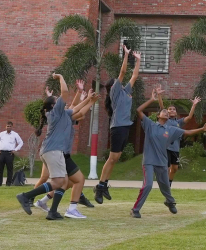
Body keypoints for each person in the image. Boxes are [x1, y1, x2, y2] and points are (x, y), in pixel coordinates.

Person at [131, 88, 206, 218]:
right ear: (158, 115)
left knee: (165, 186)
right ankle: (135, 210)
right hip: (148, 161)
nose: (166, 111)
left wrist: (202, 129)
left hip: (162, 162)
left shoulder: (171, 129)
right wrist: (152, 99)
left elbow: (187, 132)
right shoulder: (150, 125)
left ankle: (170, 202)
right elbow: (138, 111)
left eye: (168, 111)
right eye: (164, 110)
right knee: (147, 185)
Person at [34, 87, 100, 219]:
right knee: (71, 180)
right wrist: (87, 99)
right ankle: (69, 208)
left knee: (66, 183)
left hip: (56, 152)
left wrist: (86, 98)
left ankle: (43, 202)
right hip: (58, 153)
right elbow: (77, 110)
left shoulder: (63, 116)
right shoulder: (63, 116)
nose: (65, 104)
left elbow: (77, 110)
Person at [16, 73, 74, 220]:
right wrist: (61, 77)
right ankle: (26, 196)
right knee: (59, 182)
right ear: (55, 105)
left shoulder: (52, 112)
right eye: (57, 100)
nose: (61, 101)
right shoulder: (56, 111)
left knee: (62, 181)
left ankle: (52, 211)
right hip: (53, 151)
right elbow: (65, 92)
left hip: (49, 150)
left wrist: (49, 96)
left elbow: (75, 108)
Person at [94, 45, 141, 204]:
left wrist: (138, 61)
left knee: (116, 158)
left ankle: (104, 184)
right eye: (116, 82)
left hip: (125, 126)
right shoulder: (115, 92)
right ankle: (99, 186)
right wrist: (126, 55)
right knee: (112, 157)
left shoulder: (126, 91)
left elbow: (133, 77)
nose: (120, 82)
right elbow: (122, 73)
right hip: (118, 127)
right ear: (112, 87)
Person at [158, 90, 201, 186]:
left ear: (176, 113)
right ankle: (164, 183)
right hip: (166, 148)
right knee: (167, 167)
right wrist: (159, 95)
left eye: (173, 109)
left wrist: (194, 105)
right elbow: (161, 107)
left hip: (175, 148)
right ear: (167, 112)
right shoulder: (165, 120)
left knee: (175, 169)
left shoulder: (179, 122)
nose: (172, 110)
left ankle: (169, 183)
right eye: (169, 109)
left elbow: (189, 117)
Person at [0, 121, 23, 186]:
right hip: (1, 153)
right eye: (7, 126)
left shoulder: (15, 134)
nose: (8, 127)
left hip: (10, 153)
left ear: (12, 127)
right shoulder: (1, 134)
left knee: (10, 169)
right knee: (0, 169)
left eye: (10, 126)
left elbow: (21, 142)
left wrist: (15, 150)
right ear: (5, 127)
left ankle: (8, 183)